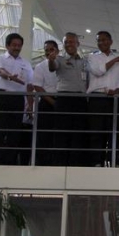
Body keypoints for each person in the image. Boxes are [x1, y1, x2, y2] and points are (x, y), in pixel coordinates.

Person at [86, 31, 119, 167]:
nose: (101, 43)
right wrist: (116, 60)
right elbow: (99, 71)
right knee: (96, 131)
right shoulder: (92, 58)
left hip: (113, 99)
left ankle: (114, 161)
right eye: (99, 40)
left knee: (114, 131)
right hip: (97, 98)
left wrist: (118, 89)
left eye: (104, 40)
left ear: (110, 41)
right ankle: (96, 161)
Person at [0, 33, 33, 165]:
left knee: (14, 132)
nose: (16, 48)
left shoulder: (25, 63)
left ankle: (10, 162)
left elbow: (29, 85)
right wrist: (10, 77)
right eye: (14, 45)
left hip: (17, 99)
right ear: (7, 45)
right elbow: (1, 72)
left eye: (19, 45)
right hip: (2, 97)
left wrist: (30, 104)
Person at [48, 32, 88, 166]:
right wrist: (51, 59)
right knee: (61, 133)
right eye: (66, 42)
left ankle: (75, 163)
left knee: (78, 133)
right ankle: (59, 164)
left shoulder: (84, 62)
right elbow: (52, 67)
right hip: (64, 99)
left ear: (78, 44)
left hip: (81, 100)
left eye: (71, 42)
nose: (69, 44)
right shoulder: (59, 59)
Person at [31, 40, 59, 165]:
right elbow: (37, 87)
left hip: (62, 100)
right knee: (44, 135)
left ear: (57, 50)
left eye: (51, 49)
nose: (48, 52)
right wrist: (52, 102)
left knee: (59, 134)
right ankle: (43, 162)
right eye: (46, 50)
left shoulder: (63, 63)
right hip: (47, 102)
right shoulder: (40, 66)